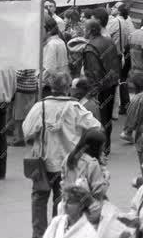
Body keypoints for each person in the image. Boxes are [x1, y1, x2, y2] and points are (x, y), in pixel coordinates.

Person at [23, 71, 101, 238]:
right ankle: (58, 233)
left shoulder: (40, 106)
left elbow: (26, 131)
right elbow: (96, 127)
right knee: (63, 203)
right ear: (67, 89)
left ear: (51, 87)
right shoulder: (75, 107)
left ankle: (39, 235)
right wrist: (81, 144)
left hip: (42, 162)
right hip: (69, 164)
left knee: (39, 200)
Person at [82, 20, 119, 155]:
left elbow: (94, 71)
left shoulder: (91, 48)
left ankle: (100, 148)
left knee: (97, 119)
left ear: (90, 31)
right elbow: (117, 61)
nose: (82, 31)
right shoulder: (109, 41)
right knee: (107, 118)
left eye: (84, 28)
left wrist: (92, 91)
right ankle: (106, 146)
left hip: (100, 87)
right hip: (111, 83)